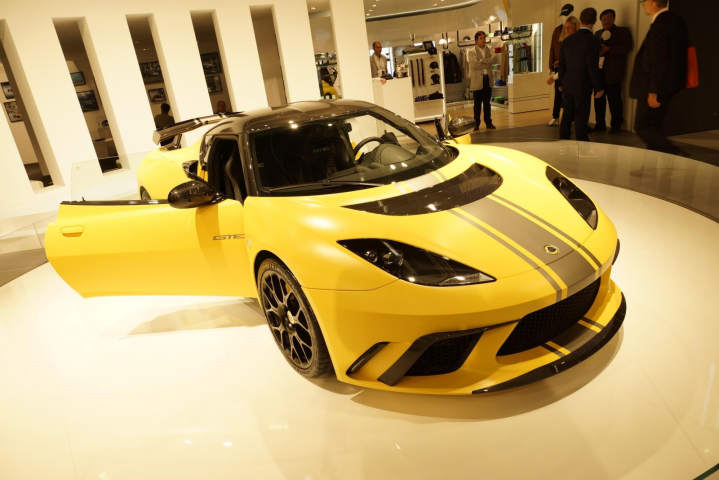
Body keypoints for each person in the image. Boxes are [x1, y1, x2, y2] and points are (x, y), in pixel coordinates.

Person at [630, 0, 689, 154]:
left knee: (642, 126)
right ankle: (653, 162)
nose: (643, 4)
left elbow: (658, 59)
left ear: (652, 2)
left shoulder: (660, 24)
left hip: (654, 84)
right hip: (670, 83)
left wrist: (653, 90)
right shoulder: (677, 21)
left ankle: (675, 153)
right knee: (654, 126)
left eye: (643, 1)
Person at [558, 8, 604, 142]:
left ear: (580, 21)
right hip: (583, 84)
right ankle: (581, 142)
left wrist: (560, 82)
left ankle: (563, 140)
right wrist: (598, 87)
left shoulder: (567, 40)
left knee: (567, 114)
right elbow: (592, 65)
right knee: (581, 116)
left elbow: (562, 64)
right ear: (594, 21)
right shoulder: (593, 40)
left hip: (568, 83)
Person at [593, 9, 633, 133]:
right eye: (604, 20)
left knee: (614, 100)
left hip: (614, 73)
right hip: (599, 73)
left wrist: (609, 49)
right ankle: (600, 124)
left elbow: (627, 47)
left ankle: (616, 126)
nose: (606, 22)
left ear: (614, 19)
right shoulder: (597, 33)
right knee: (598, 100)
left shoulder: (622, 31)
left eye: (609, 19)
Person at [547, 16, 580, 126]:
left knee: (571, 100)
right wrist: (553, 65)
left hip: (573, 76)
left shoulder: (576, 42)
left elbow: (571, 62)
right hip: (563, 74)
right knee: (562, 97)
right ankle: (557, 117)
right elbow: (553, 49)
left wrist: (555, 77)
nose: (567, 29)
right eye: (566, 27)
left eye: (570, 26)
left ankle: (573, 120)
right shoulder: (563, 39)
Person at [468, 31, 499, 131]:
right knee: (477, 103)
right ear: (476, 40)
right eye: (481, 38)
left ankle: (488, 122)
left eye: (484, 38)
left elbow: (494, 59)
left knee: (487, 102)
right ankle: (476, 123)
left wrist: (481, 61)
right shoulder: (471, 51)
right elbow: (474, 65)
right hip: (477, 80)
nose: (483, 40)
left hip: (487, 79)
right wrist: (487, 63)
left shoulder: (490, 48)